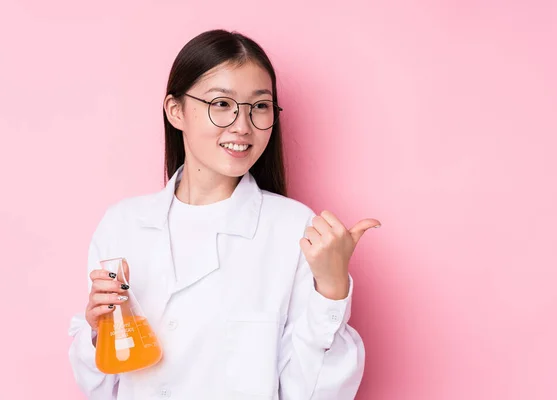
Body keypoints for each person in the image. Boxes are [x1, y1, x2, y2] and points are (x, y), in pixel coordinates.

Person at [68, 29, 380, 399]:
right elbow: (100, 387)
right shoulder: (122, 225)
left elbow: (315, 392)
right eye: (221, 104)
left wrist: (331, 291)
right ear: (176, 110)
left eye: (260, 106)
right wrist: (95, 330)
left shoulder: (294, 229)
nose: (243, 126)